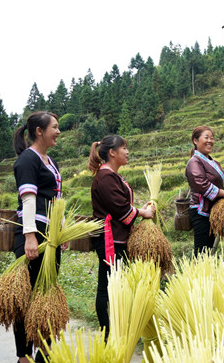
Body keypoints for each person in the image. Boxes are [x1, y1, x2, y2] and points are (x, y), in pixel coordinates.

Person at [88, 135, 155, 339]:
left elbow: (122, 207)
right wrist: (142, 213)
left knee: (113, 285)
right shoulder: (106, 177)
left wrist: (138, 210)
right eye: (124, 148)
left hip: (117, 238)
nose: (127, 152)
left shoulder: (111, 176)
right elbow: (120, 210)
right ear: (112, 152)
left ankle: (115, 329)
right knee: (106, 287)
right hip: (110, 240)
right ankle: (108, 333)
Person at [12, 111, 63, 363]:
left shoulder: (49, 160)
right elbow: (29, 200)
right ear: (39, 131)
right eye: (54, 127)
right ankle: (24, 356)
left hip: (50, 237)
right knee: (26, 298)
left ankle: (44, 352)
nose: (58, 131)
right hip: (34, 235)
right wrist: (30, 236)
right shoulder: (27, 160)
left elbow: (56, 200)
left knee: (46, 296)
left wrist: (60, 232)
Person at [185, 125, 224, 259]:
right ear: (195, 141)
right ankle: (198, 279)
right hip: (201, 213)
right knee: (203, 254)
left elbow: (222, 187)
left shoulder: (214, 162)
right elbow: (202, 185)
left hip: (217, 212)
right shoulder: (194, 162)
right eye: (206, 137)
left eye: (212, 138)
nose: (210, 141)